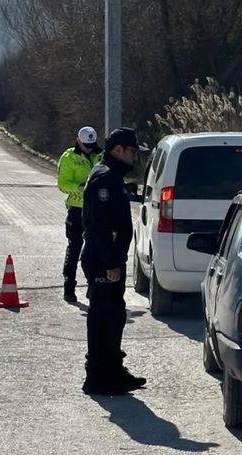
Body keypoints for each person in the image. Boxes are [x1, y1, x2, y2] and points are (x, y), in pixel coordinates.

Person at [80, 127, 149, 395]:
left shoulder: (113, 176)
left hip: (110, 258)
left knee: (114, 314)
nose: (134, 157)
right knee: (102, 316)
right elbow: (99, 226)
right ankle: (97, 376)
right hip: (102, 259)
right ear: (118, 150)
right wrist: (110, 263)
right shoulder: (105, 179)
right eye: (132, 152)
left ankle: (113, 369)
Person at [57, 126, 102, 303]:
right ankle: (69, 286)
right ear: (78, 141)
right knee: (75, 247)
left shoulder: (101, 155)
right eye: (86, 146)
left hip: (97, 210)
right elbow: (62, 184)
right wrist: (80, 188)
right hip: (76, 209)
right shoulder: (69, 157)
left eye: (92, 145)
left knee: (96, 249)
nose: (89, 149)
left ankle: (93, 285)